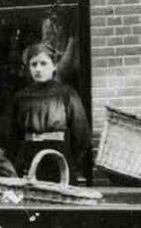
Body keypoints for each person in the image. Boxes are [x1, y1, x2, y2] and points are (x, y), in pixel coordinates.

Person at [8, 41, 90, 184]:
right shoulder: (21, 97)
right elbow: (12, 135)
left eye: (43, 64)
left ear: (54, 65)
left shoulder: (67, 94)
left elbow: (81, 135)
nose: (38, 69)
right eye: (34, 64)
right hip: (29, 156)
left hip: (58, 157)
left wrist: (70, 160)